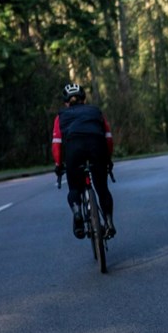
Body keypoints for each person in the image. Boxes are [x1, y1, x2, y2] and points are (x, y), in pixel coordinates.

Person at [52, 82, 116, 239]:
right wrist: (107, 159)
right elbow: (108, 138)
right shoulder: (96, 112)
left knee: (74, 188)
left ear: (66, 102)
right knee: (102, 188)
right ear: (84, 99)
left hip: (74, 150)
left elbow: (57, 144)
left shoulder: (61, 117)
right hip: (97, 147)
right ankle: (108, 222)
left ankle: (77, 212)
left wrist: (58, 164)